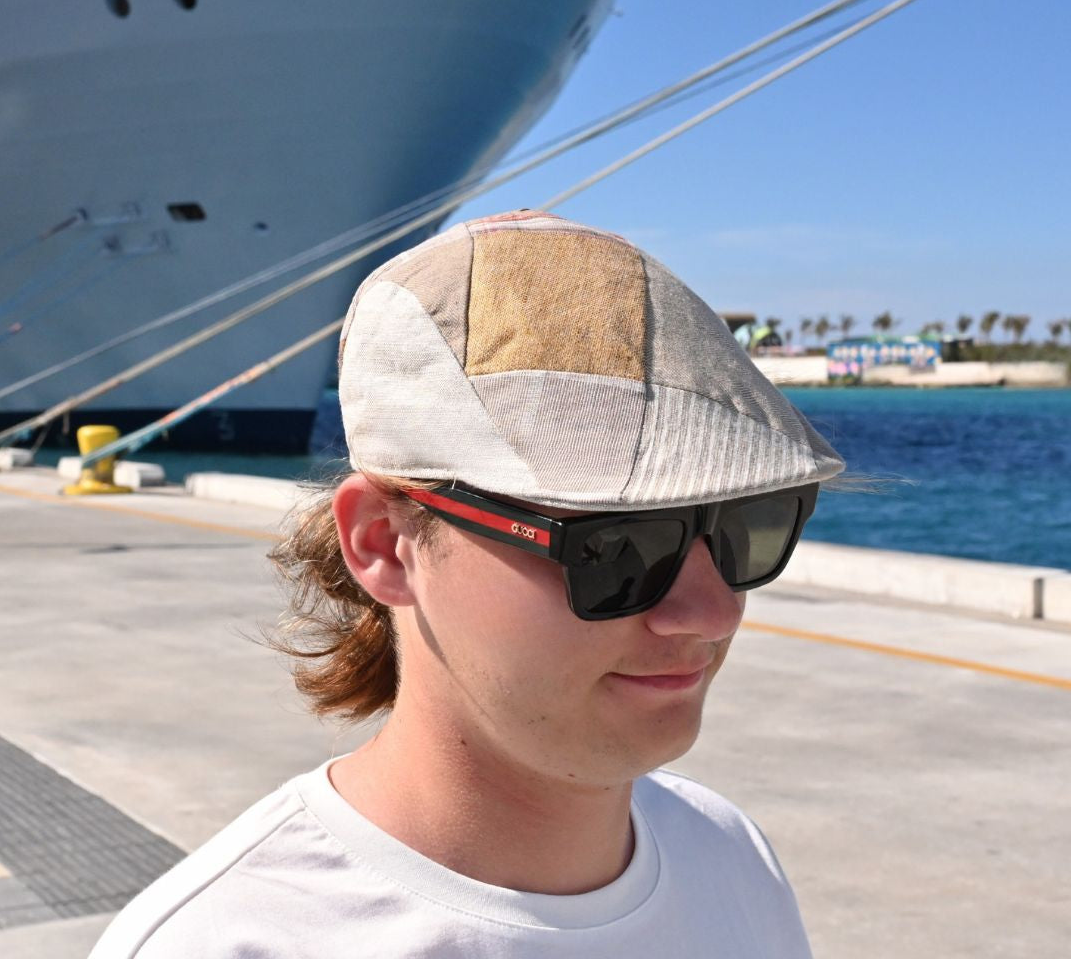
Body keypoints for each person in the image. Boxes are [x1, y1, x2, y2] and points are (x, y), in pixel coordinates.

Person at [91, 210, 844, 957]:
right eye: (615, 548)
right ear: (383, 544)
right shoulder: (226, 943)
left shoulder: (732, 857)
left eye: (752, 527)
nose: (711, 613)